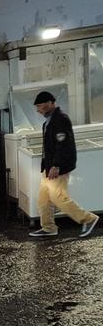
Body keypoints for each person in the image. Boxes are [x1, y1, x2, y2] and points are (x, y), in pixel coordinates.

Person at [28, 91, 98, 238]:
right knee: (43, 199)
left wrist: (57, 166)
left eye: (39, 106)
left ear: (49, 103)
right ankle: (48, 228)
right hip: (49, 167)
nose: (38, 110)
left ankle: (89, 219)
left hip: (57, 168)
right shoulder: (49, 121)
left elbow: (63, 144)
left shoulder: (60, 119)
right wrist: (46, 166)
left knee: (58, 197)